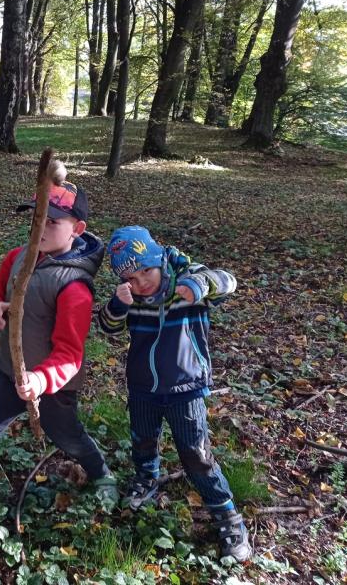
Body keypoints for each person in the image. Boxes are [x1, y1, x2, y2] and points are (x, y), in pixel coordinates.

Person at [0, 175, 118, 517]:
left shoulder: (74, 287)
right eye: (37, 219)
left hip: (54, 388)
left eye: (53, 221)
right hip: (10, 372)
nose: (41, 227)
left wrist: (40, 380)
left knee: (68, 435)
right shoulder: (17, 258)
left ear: (77, 229)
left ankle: (101, 473)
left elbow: (70, 354)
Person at [98, 225, 251, 562]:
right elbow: (107, 326)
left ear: (158, 259)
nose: (141, 282)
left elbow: (228, 282)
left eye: (145, 271)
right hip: (143, 386)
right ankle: (146, 479)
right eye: (131, 278)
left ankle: (226, 514)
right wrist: (118, 304)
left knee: (195, 453)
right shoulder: (131, 296)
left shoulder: (187, 278)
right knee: (142, 440)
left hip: (186, 387)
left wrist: (201, 285)